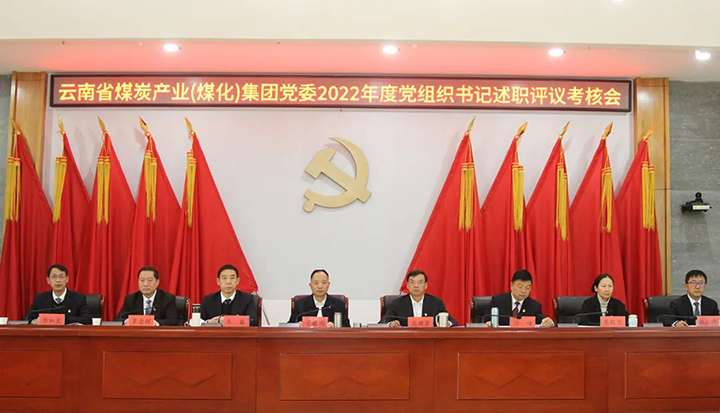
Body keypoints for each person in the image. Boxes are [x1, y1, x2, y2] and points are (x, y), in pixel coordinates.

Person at [384, 270, 457, 327]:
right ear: (408, 285)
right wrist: (391, 324)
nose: (416, 286)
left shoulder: (436, 303)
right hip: (406, 340)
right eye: (412, 282)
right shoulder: (397, 303)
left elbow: (452, 322)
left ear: (426, 285)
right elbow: (383, 322)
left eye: (420, 282)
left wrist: (445, 324)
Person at [484, 269, 554, 327]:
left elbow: (542, 321)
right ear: (512, 285)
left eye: (527, 288)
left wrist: (549, 323)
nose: (523, 291)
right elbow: (485, 319)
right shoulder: (497, 301)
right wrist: (487, 323)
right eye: (520, 287)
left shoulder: (535, 306)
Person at [26, 264, 91, 325]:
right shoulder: (40, 299)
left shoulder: (78, 298)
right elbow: (29, 318)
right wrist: (34, 321)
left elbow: (87, 320)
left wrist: (64, 320)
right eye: (54, 277)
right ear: (48, 280)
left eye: (61, 276)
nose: (58, 280)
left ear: (67, 279)